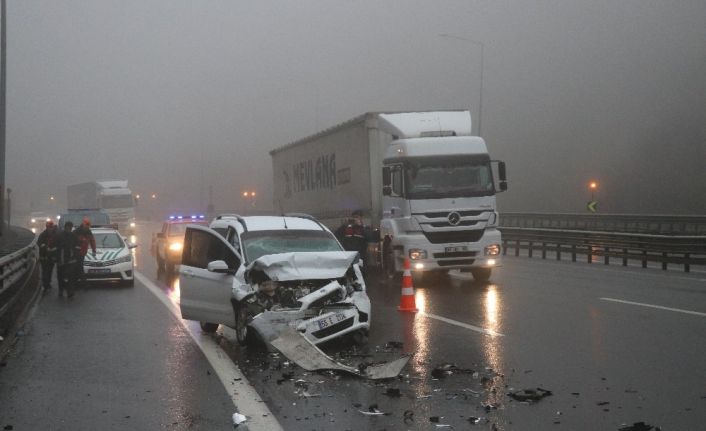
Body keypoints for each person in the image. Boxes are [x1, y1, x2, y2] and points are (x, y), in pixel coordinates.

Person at [55, 221, 79, 298]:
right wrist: (56, 258)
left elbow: (77, 247)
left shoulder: (73, 236)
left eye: (70, 228)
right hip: (61, 260)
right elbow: (56, 248)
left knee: (71, 276)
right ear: (65, 227)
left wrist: (76, 256)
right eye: (68, 227)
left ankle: (69, 291)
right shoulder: (59, 236)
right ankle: (61, 290)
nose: (69, 229)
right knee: (61, 276)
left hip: (70, 260)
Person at [73, 217, 96, 287]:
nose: (87, 227)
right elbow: (71, 241)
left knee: (78, 267)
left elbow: (92, 241)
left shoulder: (88, 232)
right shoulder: (76, 231)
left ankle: (76, 283)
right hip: (76, 252)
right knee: (79, 267)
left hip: (83, 252)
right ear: (83, 224)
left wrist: (94, 250)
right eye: (86, 225)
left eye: (88, 225)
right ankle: (84, 283)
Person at [37, 220, 58, 292]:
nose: (50, 228)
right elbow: (39, 243)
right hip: (44, 256)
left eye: (51, 227)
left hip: (51, 257)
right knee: (44, 271)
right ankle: (45, 284)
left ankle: (48, 283)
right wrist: (46, 248)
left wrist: (54, 249)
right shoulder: (42, 235)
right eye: (49, 227)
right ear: (47, 227)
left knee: (50, 271)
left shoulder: (55, 235)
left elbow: (58, 244)